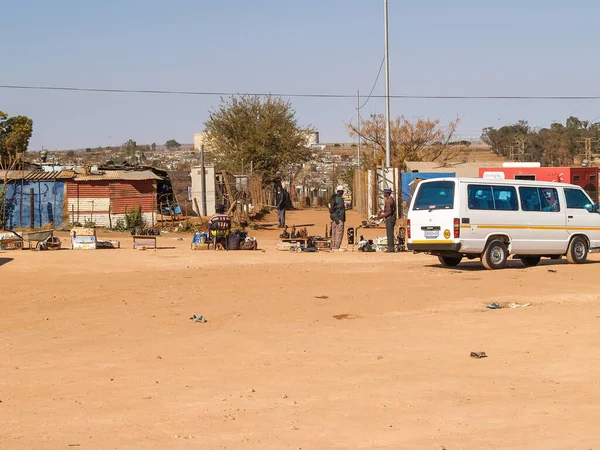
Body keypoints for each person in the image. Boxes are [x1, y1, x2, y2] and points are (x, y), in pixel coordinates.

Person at [375, 188, 397, 252]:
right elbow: (388, 210)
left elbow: (389, 212)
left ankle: (391, 248)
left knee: (389, 234)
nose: (383, 194)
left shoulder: (388, 201)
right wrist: (382, 211)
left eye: (384, 193)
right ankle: (391, 247)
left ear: (386, 194)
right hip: (392, 218)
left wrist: (379, 217)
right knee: (390, 233)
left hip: (390, 219)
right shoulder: (390, 199)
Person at [329, 185, 346, 250]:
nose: (343, 192)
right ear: (341, 191)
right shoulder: (339, 199)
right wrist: (338, 218)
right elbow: (339, 209)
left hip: (333, 219)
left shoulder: (333, 198)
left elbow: (331, 209)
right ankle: (337, 246)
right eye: (342, 191)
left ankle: (333, 245)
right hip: (339, 219)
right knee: (339, 232)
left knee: (334, 232)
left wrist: (334, 218)